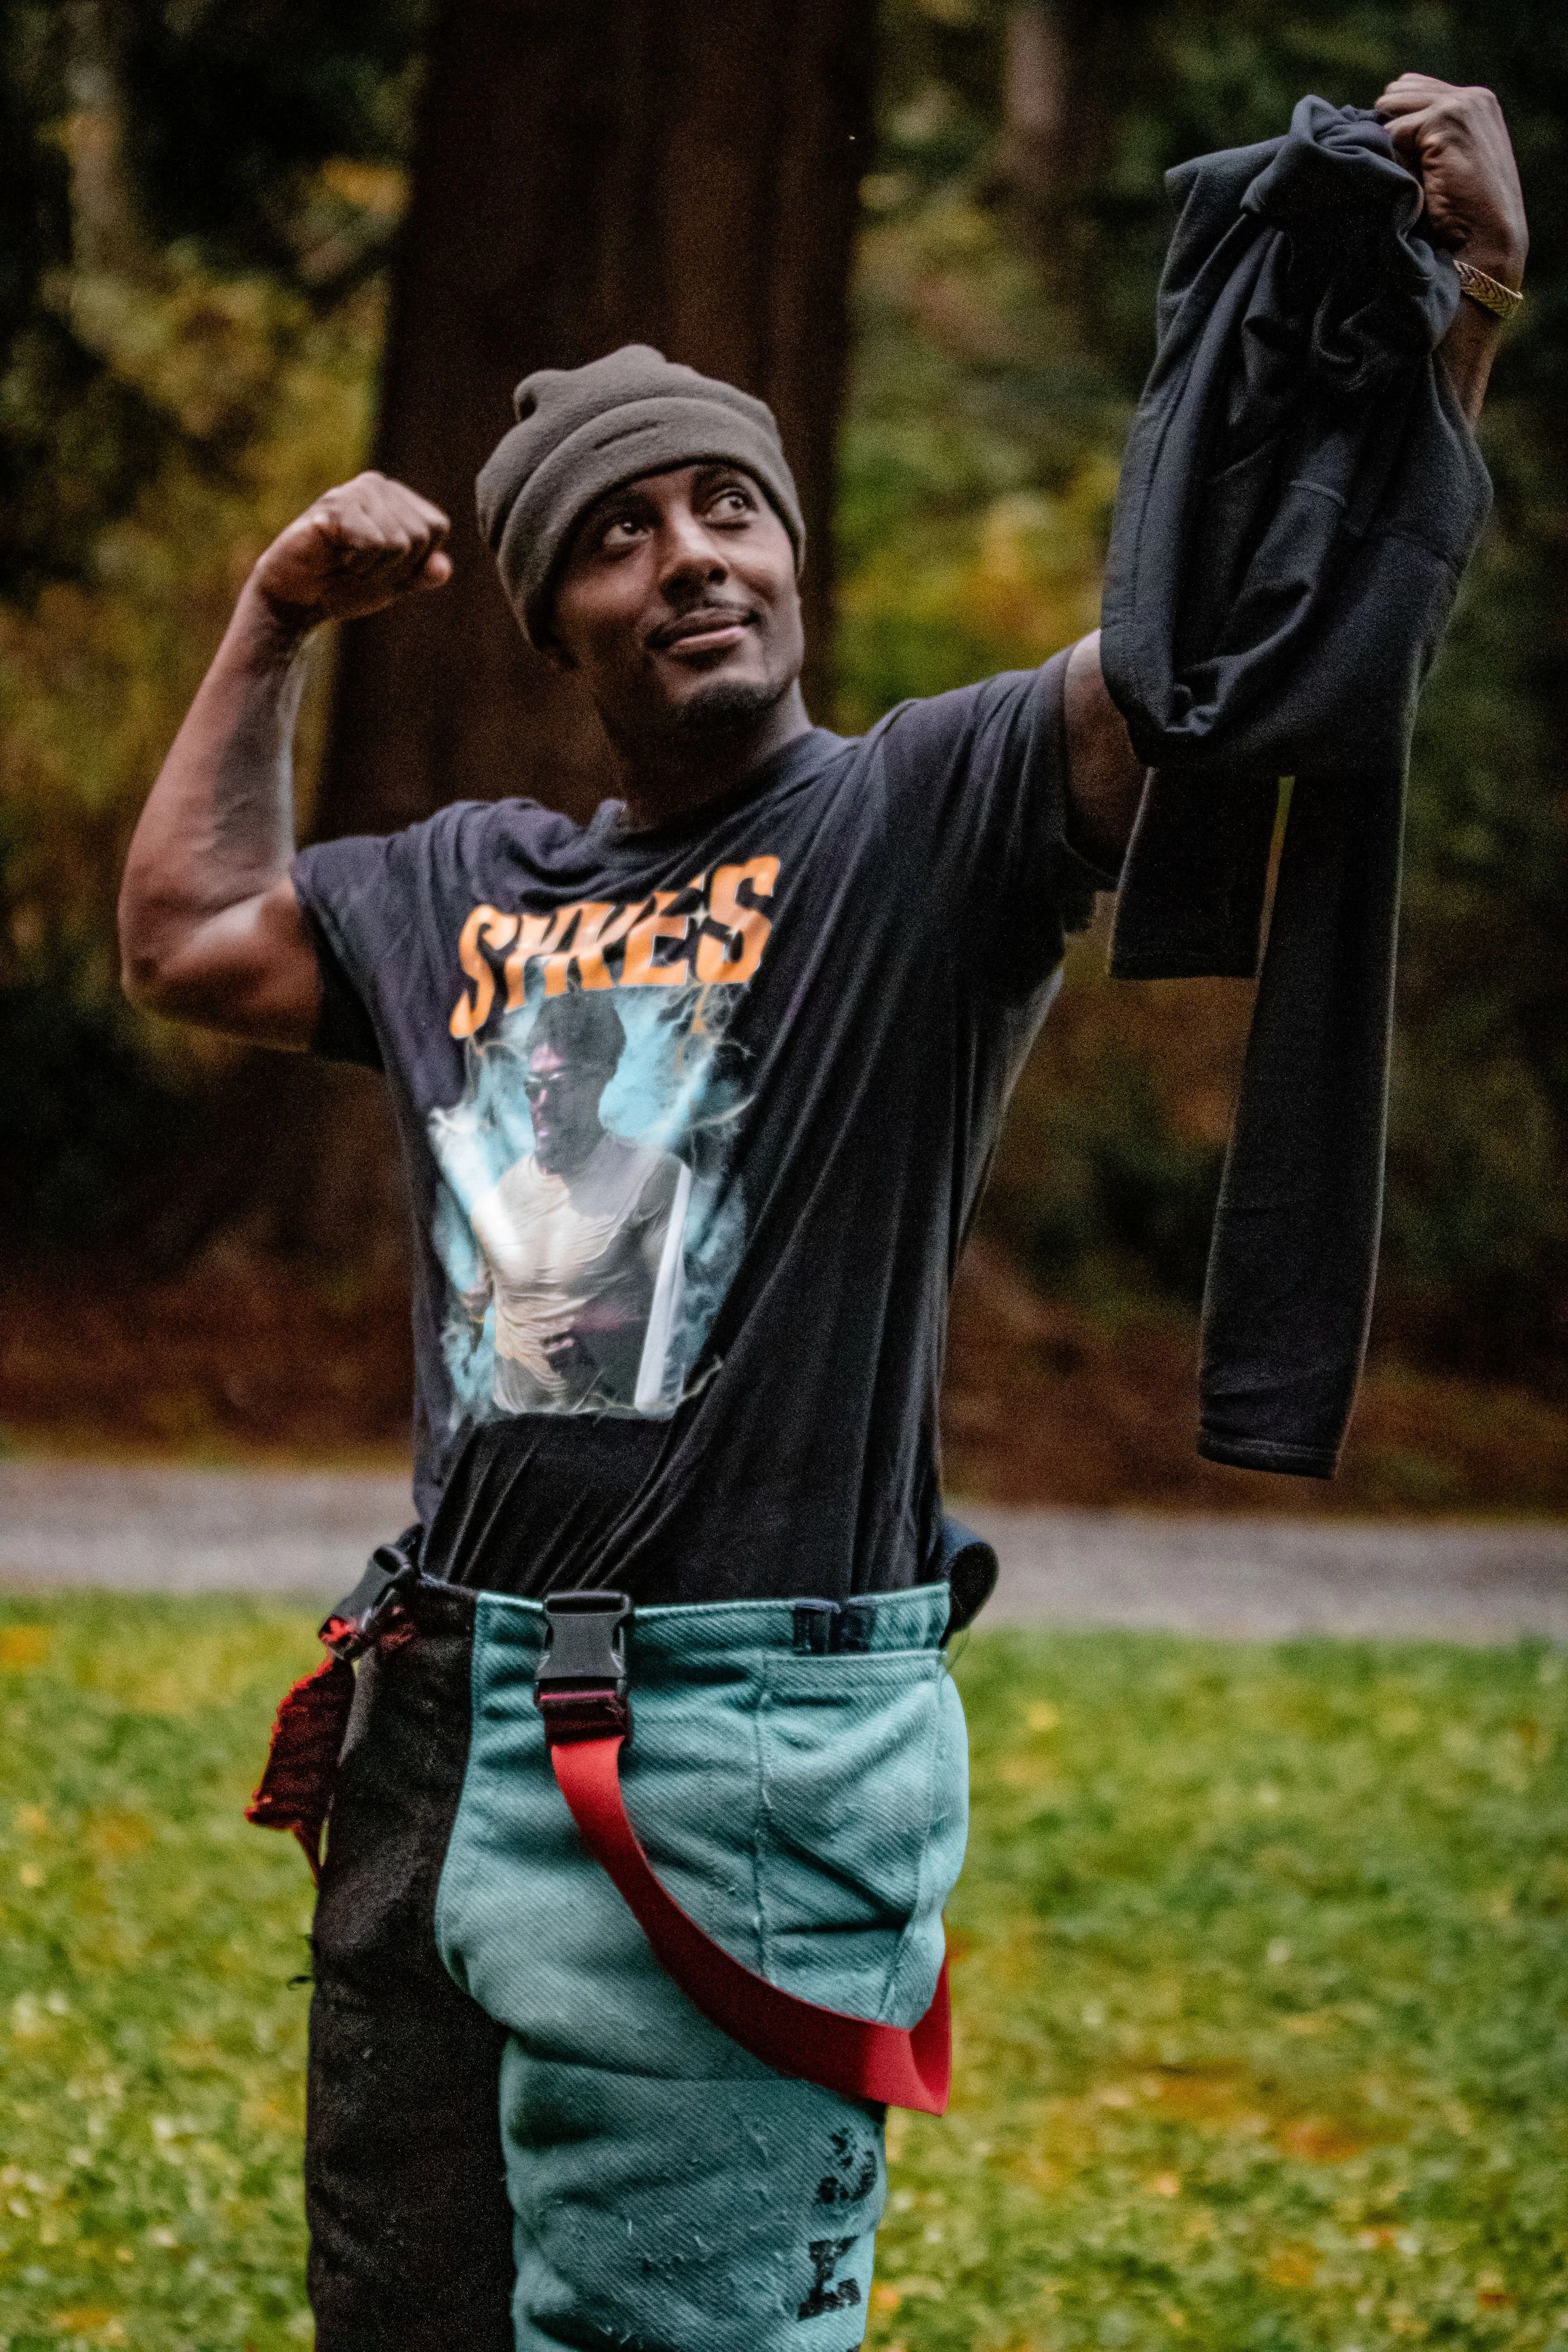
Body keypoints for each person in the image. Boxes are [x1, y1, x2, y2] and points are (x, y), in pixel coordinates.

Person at [117, 73, 1525, 2352]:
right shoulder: (473, 880)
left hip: (726, 1753)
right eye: (624, 532)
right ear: (553, 620)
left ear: (792, 556)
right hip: (436, 1721)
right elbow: (187, 937)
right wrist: (277, 606)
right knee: (409, 2319)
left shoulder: (921, 822)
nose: (693, 554)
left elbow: (1240, 674)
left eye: (728, 510)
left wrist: (1443, 320)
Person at [458, 990, 688, 1413]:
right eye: (533, 1088)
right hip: (514, 1445)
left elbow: (680, 1321)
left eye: (560, 1086)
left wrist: (607, 1337)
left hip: (616, 1441)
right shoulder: (494, 1200)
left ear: (603, 1077)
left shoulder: (653, 1178)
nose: (542, 1104)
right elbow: (470, 1325)